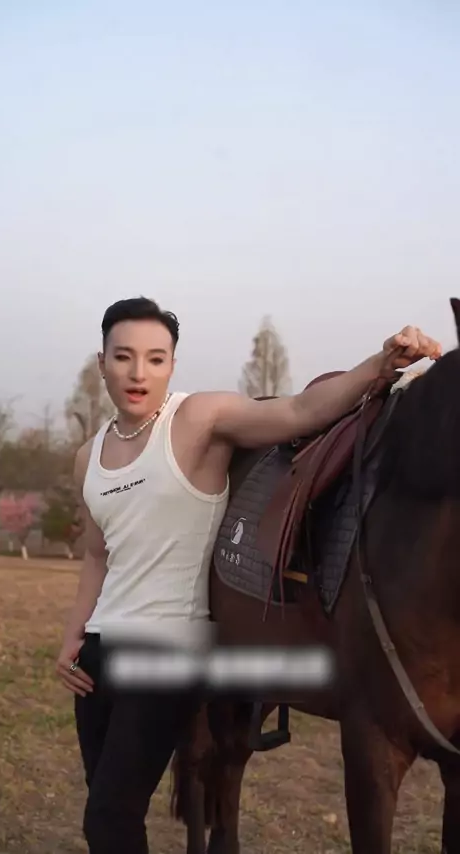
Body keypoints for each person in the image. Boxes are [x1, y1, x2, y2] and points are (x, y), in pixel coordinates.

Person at [55, 296, 442, 854]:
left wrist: (379, 364)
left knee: (108, 819)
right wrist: (74, 635)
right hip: (99, 654)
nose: (139, 373)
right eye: (123, 357)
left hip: (167, 650)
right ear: (102, 363)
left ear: (171, 364)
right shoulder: (87, 457)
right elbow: (98, 555)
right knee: (107, 809)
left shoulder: (198, 421)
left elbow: (301, 410)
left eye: (156, 358)